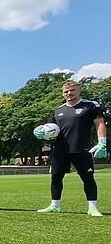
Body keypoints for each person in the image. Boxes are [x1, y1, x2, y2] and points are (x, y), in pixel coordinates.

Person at [37, 80, 107, 216]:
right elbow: (49, 130)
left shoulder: (90, 105)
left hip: (81, 148)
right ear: (63, 94)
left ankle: (92, 208)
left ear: (79, 90)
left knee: (87, 178)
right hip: (60, 150)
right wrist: (39, 131)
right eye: (66, 91)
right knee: (56, 178)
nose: (69, 93)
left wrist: (102, 142)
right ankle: (54, 205)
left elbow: (100, 124)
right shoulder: (57, 110)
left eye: (72, 90)